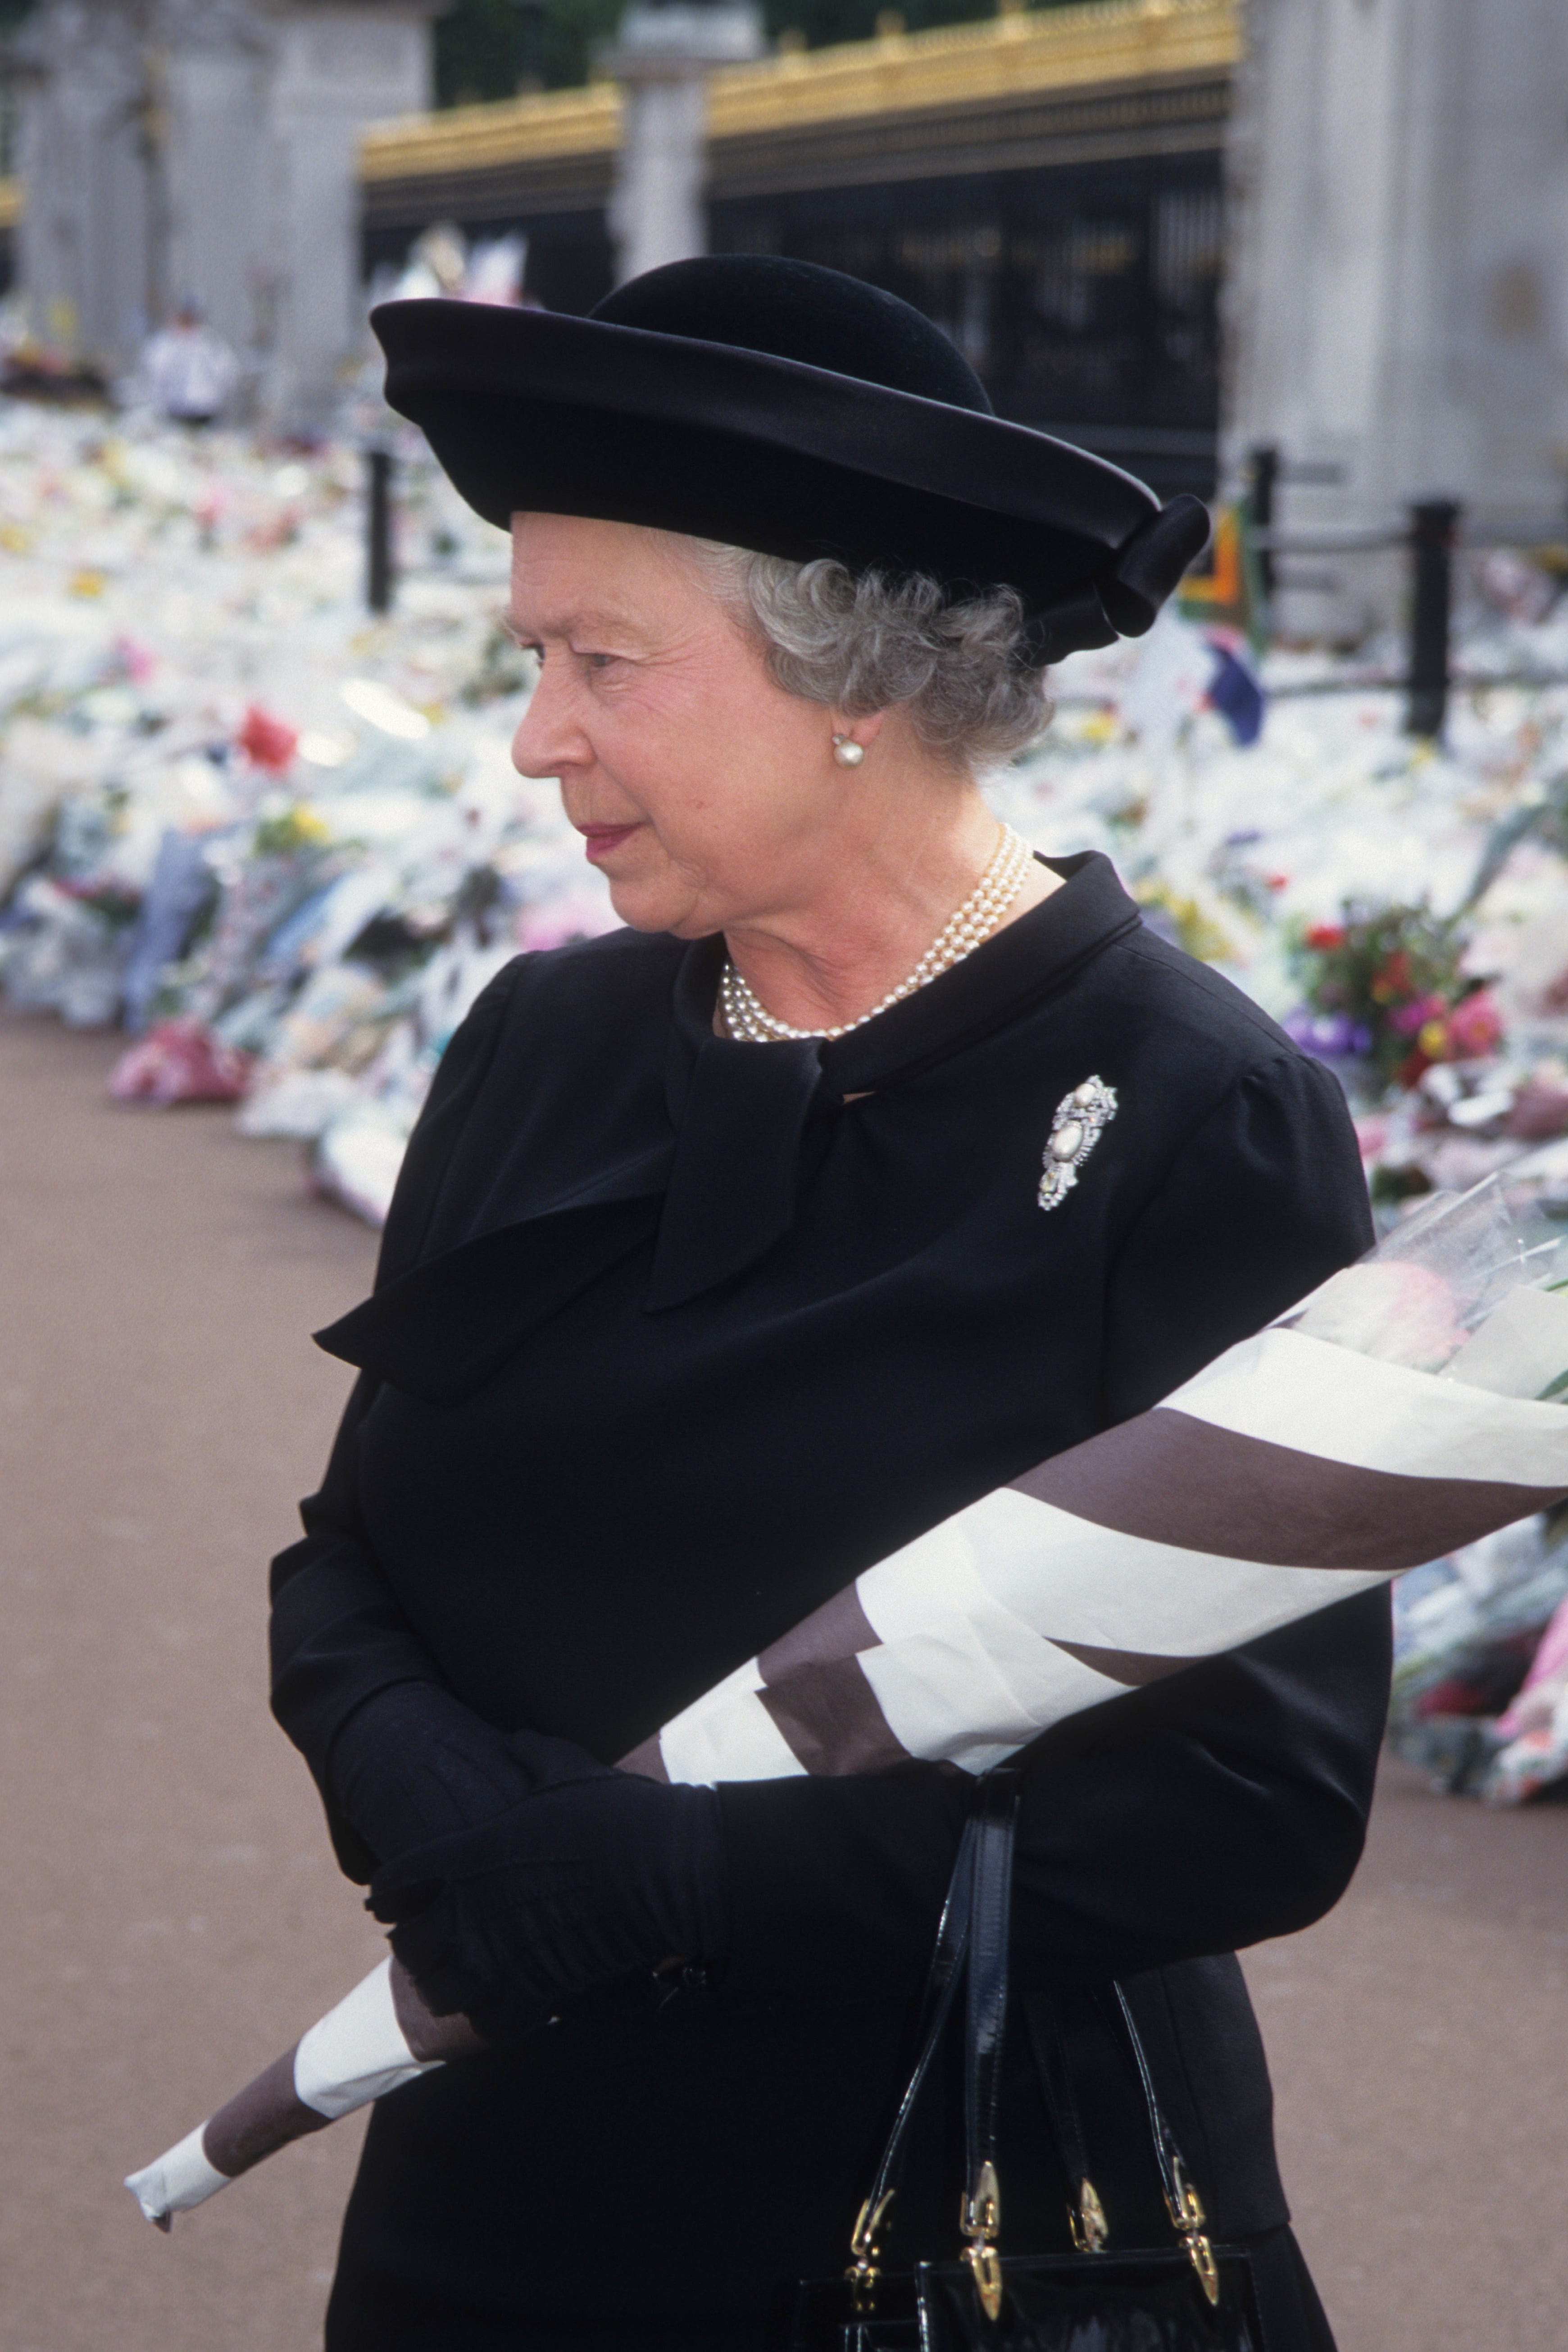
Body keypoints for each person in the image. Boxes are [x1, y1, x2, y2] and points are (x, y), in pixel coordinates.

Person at [269, 256, 1390, 2352]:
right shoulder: (547, 1037)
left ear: (851, 673)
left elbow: (1253, 1787)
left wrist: (698, 1880)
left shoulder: (1195, 1112)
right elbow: (352, 1555)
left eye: (603, 659)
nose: (533, 740)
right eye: (532, 653)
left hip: (951, 2223)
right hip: (503, 2190)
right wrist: (403, 1761)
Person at [141, 301, 238, 427]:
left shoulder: (210, 343)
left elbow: (228, 372)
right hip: (174, 410)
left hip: (205, 412)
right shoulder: (165, 343)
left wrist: (216, 397)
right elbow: (154, 370)